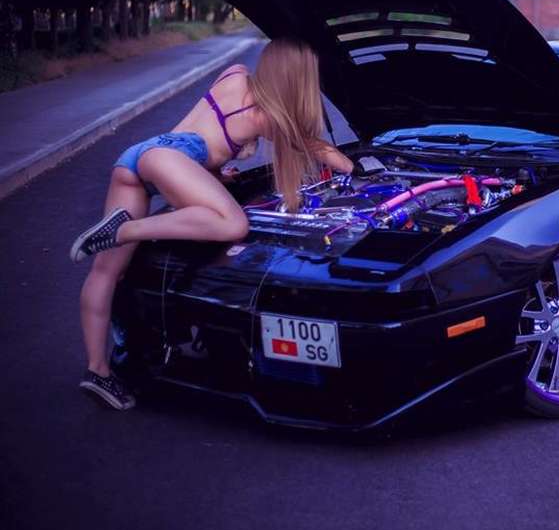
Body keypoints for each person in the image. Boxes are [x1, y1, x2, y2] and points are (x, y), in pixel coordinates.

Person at [69, 38, 353, 410]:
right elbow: (320, 149)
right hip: (169, 159)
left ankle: (97, 370)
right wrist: (356, 166)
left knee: (107, 272)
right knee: (231, 224)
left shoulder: (235, 74)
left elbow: (204, 132)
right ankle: (123, 231)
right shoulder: (268, 116)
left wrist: (215, 173)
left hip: (141, 156)